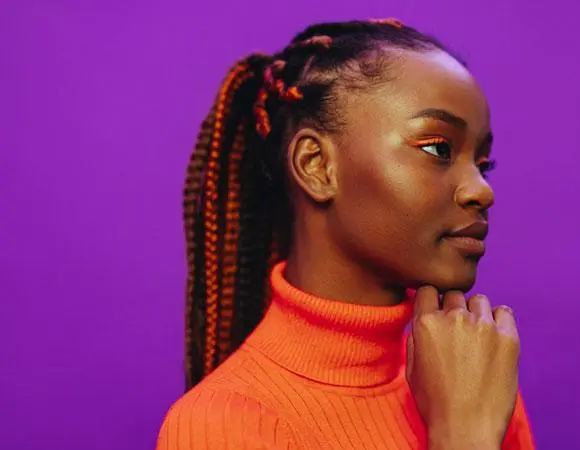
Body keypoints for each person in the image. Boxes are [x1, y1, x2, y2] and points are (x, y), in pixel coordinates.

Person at [157, 18, 535, 449]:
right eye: (438, 149)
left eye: (483, 165)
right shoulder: (227, 424)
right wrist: (463, 435)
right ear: (317, 166)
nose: (480, 190)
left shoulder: (469, 372)